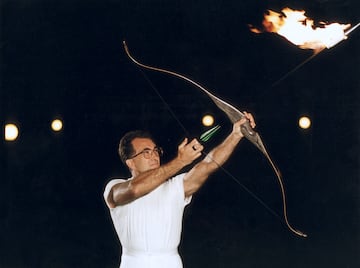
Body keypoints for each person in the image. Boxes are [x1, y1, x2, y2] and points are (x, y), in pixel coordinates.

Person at [103, 112, 256, 268]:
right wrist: (181, 160)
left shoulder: (175, 186)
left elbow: (207, 165)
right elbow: (135, 189)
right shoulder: (114, 187)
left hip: (170, 262)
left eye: (156, 151)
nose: (154, 156)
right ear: (130, 163)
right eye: (146, 152)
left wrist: (236, 134)